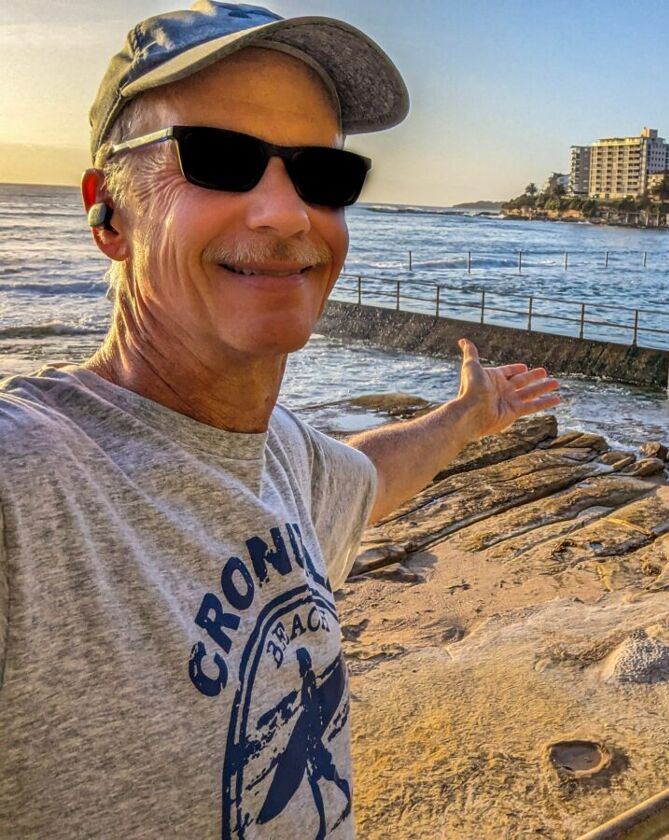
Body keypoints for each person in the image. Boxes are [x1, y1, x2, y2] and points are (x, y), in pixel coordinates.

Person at [0, 3, 560, 837]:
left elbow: (364, 481)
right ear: (108, 213)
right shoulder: (31, 481)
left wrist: (466, 417)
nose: (286, 213)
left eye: (320, 175)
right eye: (220, 160)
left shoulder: (289, 460)